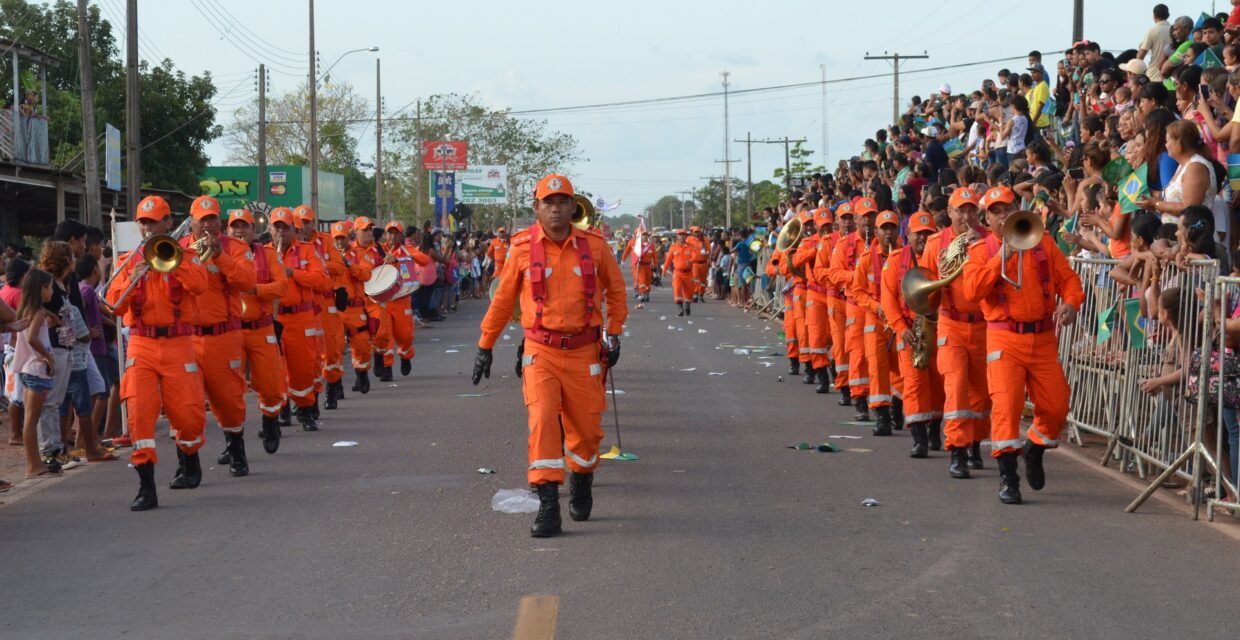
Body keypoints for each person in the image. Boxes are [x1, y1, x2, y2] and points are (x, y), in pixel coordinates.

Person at [472, 173, 627, 538]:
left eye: (562, 202)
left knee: (586, 433)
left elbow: (616, 292)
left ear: (573, 207)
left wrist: (615, 334)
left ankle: (582, 480)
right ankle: (547, 506)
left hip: (584, 351)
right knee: (542, 422)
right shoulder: (522, 248)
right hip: (540, 351)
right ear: (536, 208)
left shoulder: (595, 246)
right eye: (548, 202)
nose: (555, 209)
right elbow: (503, 300)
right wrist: (485, 346)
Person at [961, 192, 1085, 505]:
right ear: (987, 219)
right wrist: (1002, 254)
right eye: (996, 212)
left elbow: (1069, 280)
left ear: (1019, 210)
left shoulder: (1043, 243)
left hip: (1043, 338)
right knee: (1006, 407)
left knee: (1057, 406)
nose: (1003, 216)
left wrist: (1070, 304)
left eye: (1008, 210)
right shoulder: (979, 250)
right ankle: (1008, 477)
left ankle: (1035, 447)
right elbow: (973, 290)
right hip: (1004, 337)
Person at [106, 195, 210, 510]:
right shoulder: (128, 260)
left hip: (179, 343)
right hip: (142, 343)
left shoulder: (187, 255)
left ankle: (189, 456)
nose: (148, 227)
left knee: (188, 415)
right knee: (139, 414)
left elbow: (200, 286)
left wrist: (174, 264)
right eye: (143, 222)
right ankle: (146, 488)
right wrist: (135, 277)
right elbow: (112, 303)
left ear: (167, 223)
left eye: (154, 221)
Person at [180, 196, 257, 477]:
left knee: (228, 400)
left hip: (223, 336)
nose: (208, 224)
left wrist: (220, 257)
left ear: (220, 221)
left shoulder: (234, 248)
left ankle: (236, 449)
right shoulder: (178, 250)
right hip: (187, 338)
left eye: (212, 218)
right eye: (202, 219)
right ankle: (187, 464)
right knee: (184, 403)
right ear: (192, 222)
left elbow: (248, 282)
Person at [920, 187, 993, 476]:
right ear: (949, 213)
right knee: (956, 388)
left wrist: (982, 249)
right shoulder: (936, 243)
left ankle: (975, 443)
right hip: (951, 322)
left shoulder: (989, 239)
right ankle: (957, 450)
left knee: (982, 392)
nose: (966, 215)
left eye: (971, 210)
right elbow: (924, 285)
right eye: (960, 210)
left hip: (985, 324)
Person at [881, 211, 944, 456]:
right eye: (919, 233)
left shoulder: (941, 257)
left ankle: (935, 431)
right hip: (909, 330)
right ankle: (919, 437)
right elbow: (888, 299)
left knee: (939, 383)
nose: (924, 238)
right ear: (908, 234)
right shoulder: (896, 260)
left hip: (937, 327)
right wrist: (901, 328)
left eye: (929, 233)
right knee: (915, 383)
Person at [227, 209, 288, 455]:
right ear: (228, 230)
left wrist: (255, 290)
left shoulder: (268, 254)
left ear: (254, 230)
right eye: (235, 226)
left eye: (245, 226)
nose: (240, 231)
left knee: (271, 386)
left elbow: (282, 286)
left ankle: (271, 421)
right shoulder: (218, 255)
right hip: (231, 331)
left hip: (261, 327)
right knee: (230, 391)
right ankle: (233, 444)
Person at [268, 207, 330, 432]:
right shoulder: (263, 252)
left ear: (294, 230)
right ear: (270, 230)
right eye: (277, 227)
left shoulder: (307, 251)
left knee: (303, 368)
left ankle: (305, 410)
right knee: (274, 369)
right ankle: (280, 411)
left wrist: (293, 273)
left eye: (285, 228)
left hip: (300, 318)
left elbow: (323, 281)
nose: (281, 232)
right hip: (272, 317)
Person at [850, 210, 904, 436]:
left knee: (901, 369)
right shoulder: (865, 260)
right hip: (876, 322)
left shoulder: (906, 257)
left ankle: (898, 406)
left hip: (900, 322)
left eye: (892, 228)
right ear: (877, 232)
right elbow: (857, 292)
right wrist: (876, 306)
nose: (888, 232)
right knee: (877, 369)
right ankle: (882, 416)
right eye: (884, 228)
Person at [295, 205, 347, 409]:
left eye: (306, 222)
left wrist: (318, 265)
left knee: (331, 350)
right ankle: (308, 398)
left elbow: (340, 267)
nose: (303, 226)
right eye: (299, 223)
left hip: (326, 301)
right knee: (309, 353)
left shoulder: (325, 241)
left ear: (313, 223)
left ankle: (333, 386)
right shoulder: (291, 246)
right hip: (304, 303)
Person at [830, 197, 877, 420]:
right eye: (863, 217)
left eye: (871, 216)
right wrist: (857, 276)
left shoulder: (886, 240)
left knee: (882, 356)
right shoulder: (843, 244)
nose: (867, 221)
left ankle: (886, 403)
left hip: (879, 305)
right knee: (857, 352)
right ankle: (859, 399)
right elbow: (834, 274)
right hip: (856, 304)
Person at [14, 268, 58, 478]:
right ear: (42, 289)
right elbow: (32, 338)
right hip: (36, 369)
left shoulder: (26, 310)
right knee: (32, 419)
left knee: (30, 419)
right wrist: (48, 357)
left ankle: (34, 463)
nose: (52, 292)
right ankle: (33, 465)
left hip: (26, 368)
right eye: (50, 287)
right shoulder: (38, 313)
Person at [380, 221, 432, 377]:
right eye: (390, 233)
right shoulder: (378, 250)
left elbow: (425, 260)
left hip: (402, 300)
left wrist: (401, 260)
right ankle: (387, 367)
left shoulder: (406, 251)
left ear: (401, 235)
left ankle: (405, 356)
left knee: (406, 335)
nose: (393, 236)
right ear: (385, 234)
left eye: (396, 233)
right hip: (384, 300)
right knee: (385, 335)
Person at [799, 207, 836, 393]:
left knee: (835, 336)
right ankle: (821, 375)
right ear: (815, 226)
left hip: (833, 292)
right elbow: (795, 261)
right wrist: (815, 250)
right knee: (815, 336)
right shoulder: (807, 242)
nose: (826, 230)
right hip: (814, 293)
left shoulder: (839, 241)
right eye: (822, 226)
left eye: (828, 225)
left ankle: (836, 369)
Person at [662, 229, 695, 316]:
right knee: (677, 289)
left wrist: (691, 260)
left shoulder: (691, 246)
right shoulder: (673, 247)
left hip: (689, 273)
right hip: (677, 273)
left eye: (684, 234)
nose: (682, 236)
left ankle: (687, 305)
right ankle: (680, 308)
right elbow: (668, 260)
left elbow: (695, 256)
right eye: (680, 235)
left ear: (686, 236)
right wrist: (664, 271)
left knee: (689, 291)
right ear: (677, 236)